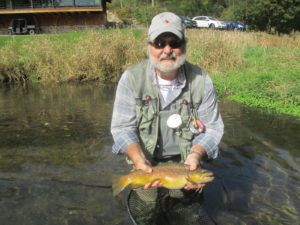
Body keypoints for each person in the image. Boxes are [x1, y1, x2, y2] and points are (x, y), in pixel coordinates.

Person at [111, 12, 224, 225]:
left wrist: (196, 156)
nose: (167, 50)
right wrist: (138, 160)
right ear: (150, 46)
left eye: (175, 42)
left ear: (184, 45)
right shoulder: (131, 78)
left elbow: (213, 128)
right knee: (145, 208)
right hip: (146, 163)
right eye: (160, 42)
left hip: (186, 161)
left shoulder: (202, 80)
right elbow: (121, 128)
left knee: (185, 209)